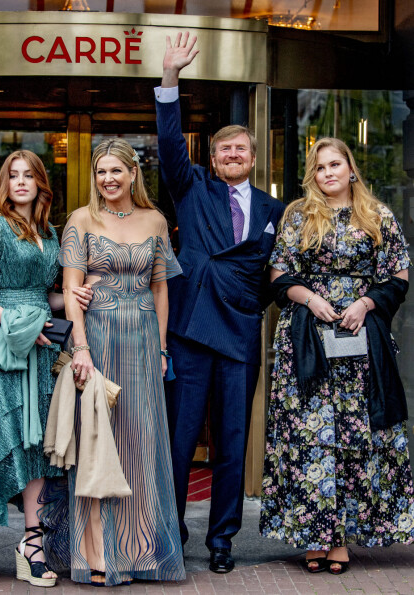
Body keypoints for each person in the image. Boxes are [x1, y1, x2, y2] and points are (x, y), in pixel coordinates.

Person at [155, 32, 286, 574]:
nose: (232, 154)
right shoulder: (191, 188)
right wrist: (169, 80)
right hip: (188, 330)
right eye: (223, 149)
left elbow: (278, 272)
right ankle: (172, 533)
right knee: (181, 441)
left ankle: (223, 541)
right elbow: (167, 145)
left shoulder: (273, 207)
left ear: (254, 158)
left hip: (239, 333)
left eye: (241, 149)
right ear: (211, 158)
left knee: (233, 443)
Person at [259, 137, 414, 574]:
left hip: (360, 340)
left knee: (353, 436)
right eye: (320, 167)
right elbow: (277, 274)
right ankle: (315, 534)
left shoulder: (377, 215)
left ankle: (341, 537)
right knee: (309, 435)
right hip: (307, 339)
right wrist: (308, 298)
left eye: (334, 164)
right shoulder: (297, 215)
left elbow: (399, 274)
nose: (327, 173)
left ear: (350, 169)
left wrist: (365, 304)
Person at [0, 150, 91, 587]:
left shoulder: (50, 232)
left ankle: (30, 545)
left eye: (28, 175)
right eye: (12, 175)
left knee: (36, 444)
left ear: (40, 183)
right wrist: (17, 322)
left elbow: (41, 295)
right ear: (4, 184)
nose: (19, 182)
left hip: (40, 347)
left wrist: (74, 297)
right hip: (0, 344)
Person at [55, 138, 185, 586]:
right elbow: (72, 289)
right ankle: (97, 552)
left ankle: (139, 549)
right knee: (99, 441)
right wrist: (81, 347)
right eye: (101, 172)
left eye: (116, 171)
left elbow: (161, 287)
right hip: (99, 338)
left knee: (141, 440)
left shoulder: (155, 220)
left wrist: (163, 348)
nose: (107, 179)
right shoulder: (80, 220)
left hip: (144, 339)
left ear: (133, 173)